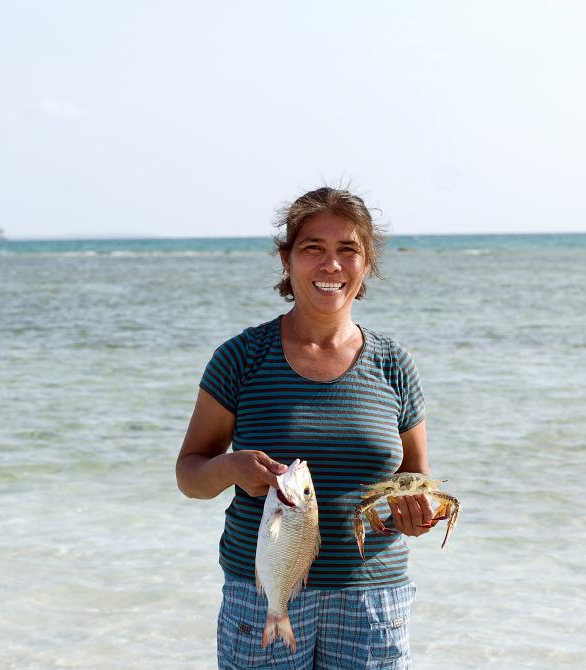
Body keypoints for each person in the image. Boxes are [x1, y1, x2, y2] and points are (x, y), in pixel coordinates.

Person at [176, 187, 436, 669]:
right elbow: (190, 475)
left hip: (372, 599)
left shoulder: (394, 364)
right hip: (262, 594)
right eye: (313, 248)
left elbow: (415, 474)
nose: (331, 265)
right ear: (287, 259)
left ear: (367, 263)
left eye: (348, 250)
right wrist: (230, 467)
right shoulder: (241, 358)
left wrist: (414, 514)